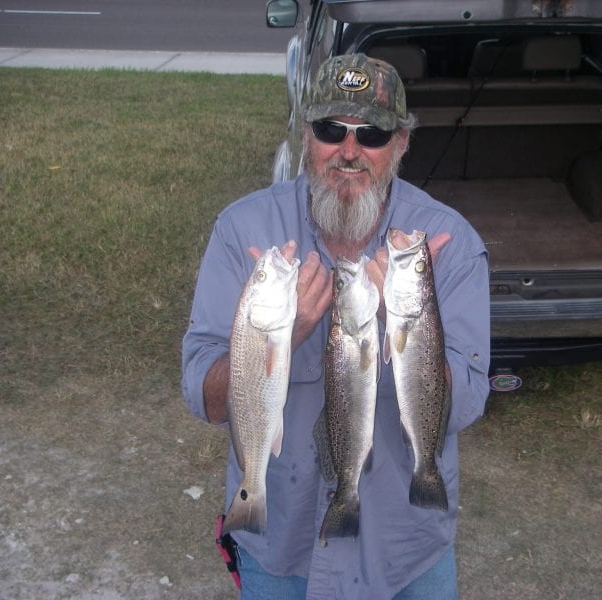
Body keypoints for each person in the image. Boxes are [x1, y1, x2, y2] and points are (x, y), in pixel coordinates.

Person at [182, 53, 491, 599]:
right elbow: (204, 397)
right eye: (331, 130)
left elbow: (464, 406)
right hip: (282, 545)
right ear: (306, 135)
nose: (349, 151)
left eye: (371, 134)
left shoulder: (448, 245)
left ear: (400, 144)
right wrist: (275, 335)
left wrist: (410, 321)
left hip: (403, 552)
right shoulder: (244, 230)